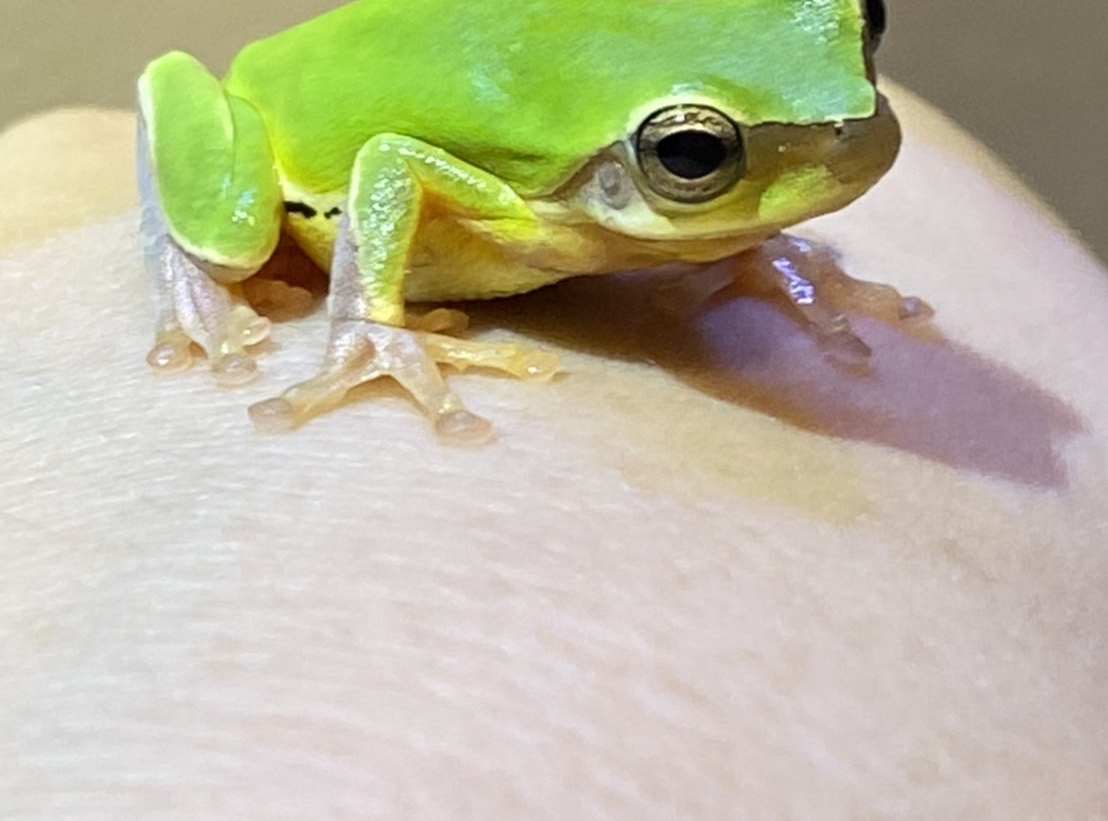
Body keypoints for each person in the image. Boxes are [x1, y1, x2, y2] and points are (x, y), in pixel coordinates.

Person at [2, 89, 1105, 818]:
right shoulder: (514, 199)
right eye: (695, 155)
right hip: (302, 143)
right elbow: (389, 159)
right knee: (236, 236)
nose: (869, 132)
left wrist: (755, 241)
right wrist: (368, 317)